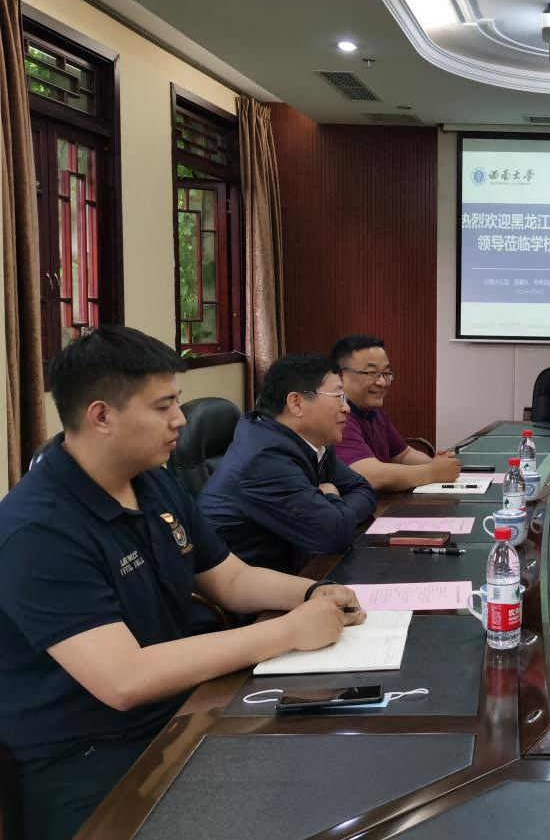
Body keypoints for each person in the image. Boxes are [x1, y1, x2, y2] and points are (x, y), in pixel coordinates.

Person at [0, 327, 364, 840]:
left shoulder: (153, 480)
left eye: (177, 401)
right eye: (163, 406)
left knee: (330, 772)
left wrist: (307, 594)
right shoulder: (37, 529)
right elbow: (124, 679)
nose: (180, 419)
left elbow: (229, 578)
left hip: (183, 708)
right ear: (101, 416)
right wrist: (287, 631)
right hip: (91, 754)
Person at [199, 354, 378, 572]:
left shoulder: (314, 441)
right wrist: (332, 497)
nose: (346, 408)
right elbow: (334, 535)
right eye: (338, 396)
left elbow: (364, 490)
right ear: (296, 403)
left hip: (295, 567)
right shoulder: (264, 460)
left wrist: (334, 510)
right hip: (248, 584)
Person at [329, 334, 460, 491]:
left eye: (386, 373)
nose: (382, 382)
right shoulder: (338, 417)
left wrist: (438, 464)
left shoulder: (373, 412)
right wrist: (432, 472)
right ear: (340, 376)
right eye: (371, 373)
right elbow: (368, 476)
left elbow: (403, 455)